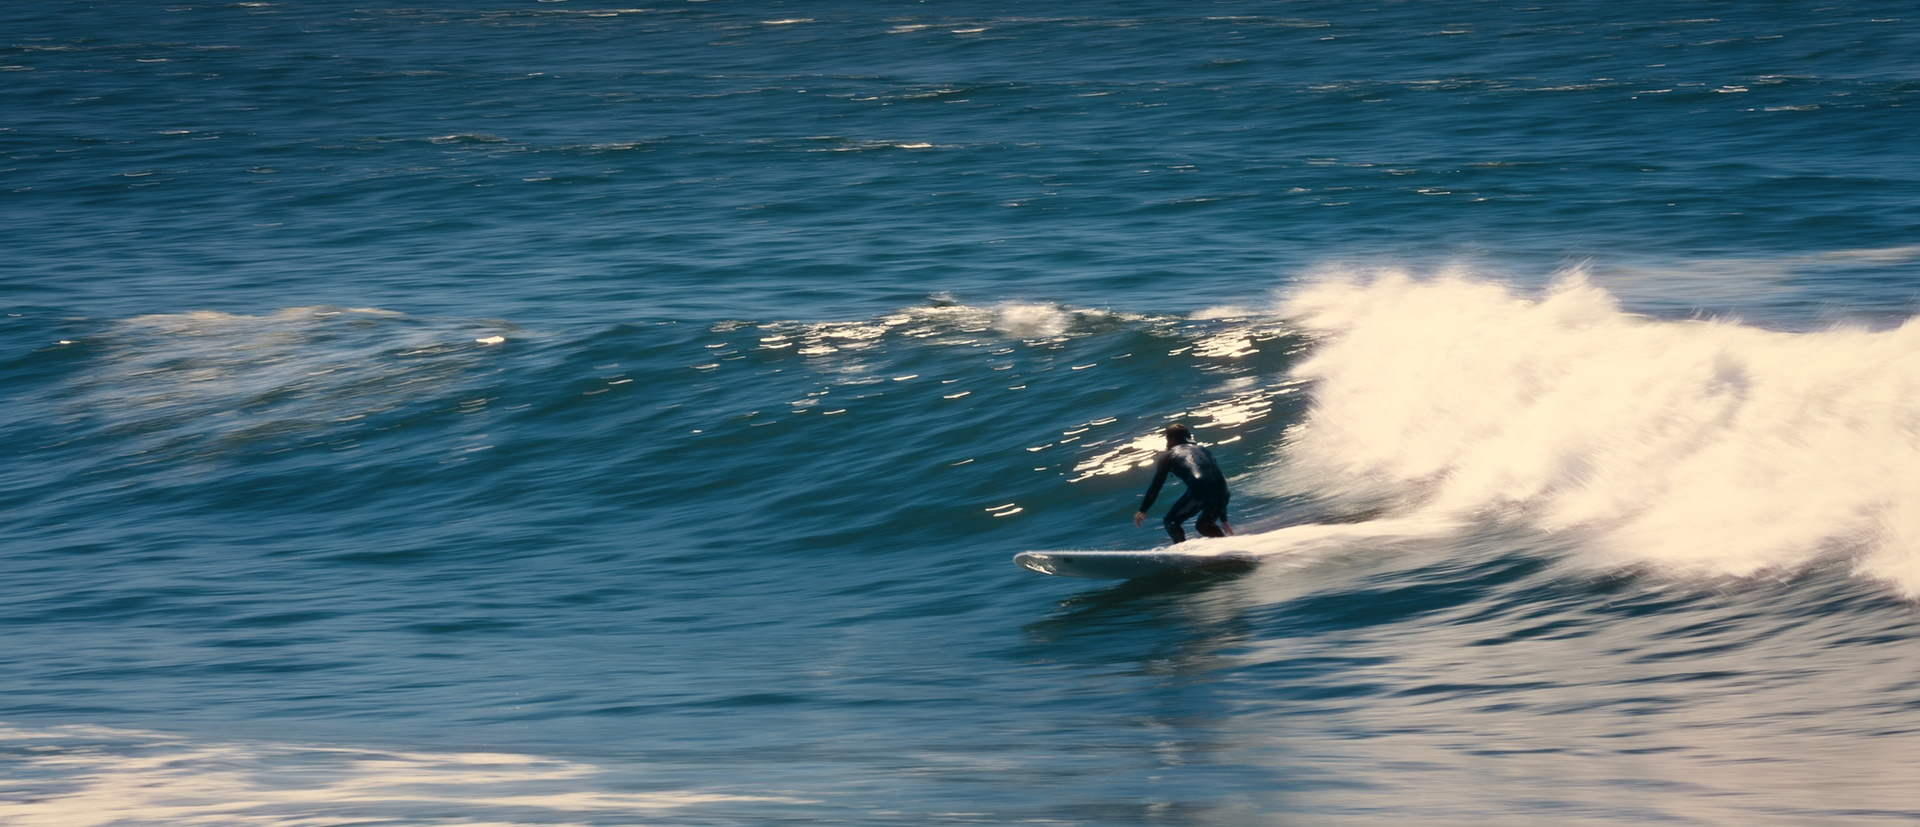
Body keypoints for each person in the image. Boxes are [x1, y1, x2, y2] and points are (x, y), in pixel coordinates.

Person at [1132, 423, 1233, 543]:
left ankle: (1182, 551)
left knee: (1171, 521)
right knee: (1204, 525)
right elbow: (1215, 483)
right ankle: (1228, 548)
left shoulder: (1170, 456)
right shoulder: (1205, 451)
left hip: (1200, 490)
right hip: (1224, 490)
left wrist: (1143, 510)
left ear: (1171, 439)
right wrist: (1223, 520)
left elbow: (1156, 486)